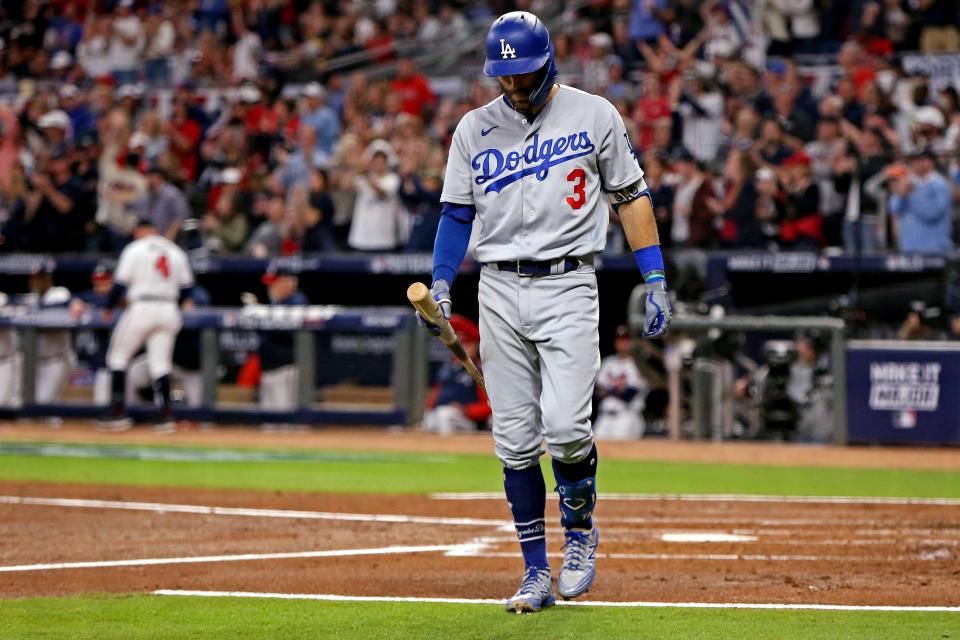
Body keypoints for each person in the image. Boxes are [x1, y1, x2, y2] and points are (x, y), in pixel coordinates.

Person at [422, 11, 670, 613]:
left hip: (569, 284)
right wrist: (441, 282)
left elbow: (630, 197)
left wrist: (656, 274)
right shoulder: (474, 129)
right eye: (503, 76)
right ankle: (535, 570)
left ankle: (580, 532)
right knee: (512, 441)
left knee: (564, 426)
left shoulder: (594, 115)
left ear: (548, 63)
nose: (512, 85)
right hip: (500, 287)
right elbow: (457, 214)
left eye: (522, 74)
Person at [99, 218, 194, 432]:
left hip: (142, 306)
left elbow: (119, 284)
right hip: (169, 308)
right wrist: (174, 304)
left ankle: (117, 413)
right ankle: (165, 416)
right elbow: (187, 289)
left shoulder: (135, 248)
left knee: (117, 357)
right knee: (160, 364)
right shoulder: (175, 251)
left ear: (142, 231)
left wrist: (108, 307)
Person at [422, 314, 490, 435]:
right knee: (430, 418)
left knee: (444, 416)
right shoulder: (448, 368)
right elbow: (436, 395)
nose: (462, 350)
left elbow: (490, 405)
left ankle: (447, 450)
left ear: (476, 346)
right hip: (445, 414)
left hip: (468, 419)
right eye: (458, 346)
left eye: (467, 345)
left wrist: (466, 410)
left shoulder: (480, 370)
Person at [256, 266, 308, 421]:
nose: (270, 287)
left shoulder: (297, 301)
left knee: (287, 420)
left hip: (286, 369)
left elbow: (288, 334)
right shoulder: (277, 303)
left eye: (275, 283)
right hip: (271, 369)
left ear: (288, 283)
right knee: (270, 421)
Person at [888, 149, 953, 254]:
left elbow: (932, 213)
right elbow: (894, 209)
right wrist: (900, 194)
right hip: (908, 247)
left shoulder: (940, 185)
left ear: (929, 162)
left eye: (918, 160)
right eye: (912, 160)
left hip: (934, 249)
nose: (913, 163)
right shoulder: (908, 182)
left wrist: (911, 194)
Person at [594, 325, 649, 440]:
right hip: (604, 417)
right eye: (619, 340)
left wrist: (608, 391)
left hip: (627, 417)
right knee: (596, 450)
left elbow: (628, 395)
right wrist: (617, 390)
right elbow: (597, 393)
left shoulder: (638, 365)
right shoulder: (608, 363)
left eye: (625, 340)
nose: (621, 343)